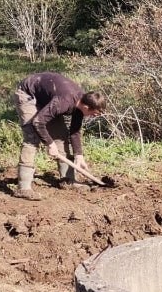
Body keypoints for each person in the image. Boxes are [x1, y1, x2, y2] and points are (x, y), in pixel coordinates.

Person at [13, 72, 107, 200]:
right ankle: (23, 188)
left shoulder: (80, 103)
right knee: (32, 139)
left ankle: (68, 180)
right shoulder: (64, 102)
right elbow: (38, 122)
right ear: (86, 107)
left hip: (46, 98)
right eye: (93, 114)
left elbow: (75, 131)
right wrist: (49, 144)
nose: (93, 116)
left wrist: (79, 155)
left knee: (61, 137)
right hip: (28, 94)